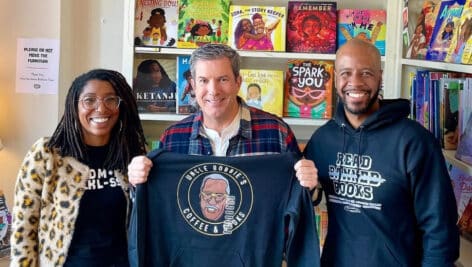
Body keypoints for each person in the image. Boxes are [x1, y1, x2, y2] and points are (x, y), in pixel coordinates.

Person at [303, 39, 460, 266]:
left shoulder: (414, 141)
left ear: (380, 76)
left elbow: (440, 228)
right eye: (346, 73)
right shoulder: (323, 140)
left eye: (366, 73)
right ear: (336, 77)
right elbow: (306, 196)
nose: (355, 82)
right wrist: (310, 190)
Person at [128, 43, 317, 195]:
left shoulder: (277, 133)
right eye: (203, 80)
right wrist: (138, 180)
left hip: (257, 243)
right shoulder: (172, 138)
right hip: (194, 243)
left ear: (238, 82)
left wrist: (310, 184)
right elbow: (159, 201)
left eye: (223, 79)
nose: (213, 90)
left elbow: (300, 198)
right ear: (192, 85)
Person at [10, 69, 147, 266]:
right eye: (89, 100)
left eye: (110, 99)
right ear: (74, 106)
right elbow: (23, 227)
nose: (101, 109)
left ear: (121, 106)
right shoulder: (47, 154)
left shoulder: (133, 155)